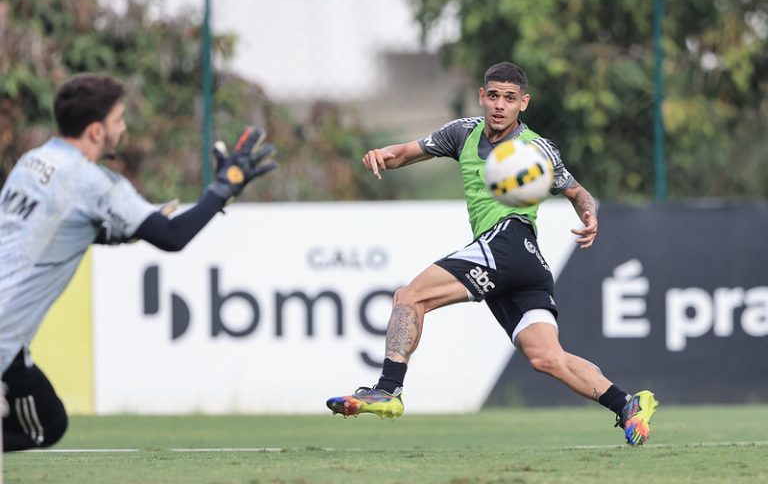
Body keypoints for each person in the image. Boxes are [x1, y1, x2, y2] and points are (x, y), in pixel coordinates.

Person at [326, 62, 658, 446]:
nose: (501, 105)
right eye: (494, 96)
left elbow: (576, 190)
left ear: (524, 103)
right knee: (546, 357)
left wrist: (590, 214)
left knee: (409, 297)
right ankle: (628, 405)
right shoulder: (462, 133)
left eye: (510, 98)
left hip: (510, 241)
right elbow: (407, 153)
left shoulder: (534, 148)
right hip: (522, 263)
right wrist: (382, 154)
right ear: (483, 96)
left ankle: (387, 389)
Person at [0, 73, 276, 452]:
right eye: (119, 119)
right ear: (97, 131)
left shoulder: (32, 162)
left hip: (10, 343)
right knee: (43, 426)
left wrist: (128, 228)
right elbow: (172, 236)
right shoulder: (94, 183)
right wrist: (222, 189)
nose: (124, 127)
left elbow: (60, 230)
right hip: (4, 334)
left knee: (48, 422)